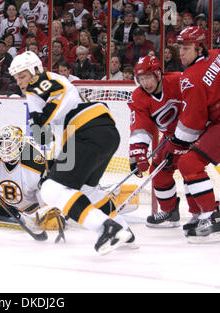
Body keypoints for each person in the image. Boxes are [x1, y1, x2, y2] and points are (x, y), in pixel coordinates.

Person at [9, 51, 134, 255]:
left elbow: (53, 103)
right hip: (104, 132)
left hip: (86, 131)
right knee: (87, 189)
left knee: (51, 188)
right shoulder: (44, 87)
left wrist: (38, 123)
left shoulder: (39, 82)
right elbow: (46, 135)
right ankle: (124, 230)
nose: (20, 82)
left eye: (22, 76)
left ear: (35, 70)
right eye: (16, 78)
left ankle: (108, 229)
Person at [155, 26, 220, 243]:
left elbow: (192, 121)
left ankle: (211, 217)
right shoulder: (218, 55)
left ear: (200, 47)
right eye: (180, 48)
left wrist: (176, 144)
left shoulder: (191, 77)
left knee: (189, 164)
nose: (182, 53)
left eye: (187, 48)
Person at [128, 55, 198, 228]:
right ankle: (170, 211)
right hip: (170, 138)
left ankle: (200, 213)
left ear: (158, 74)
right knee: (158, 170)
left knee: (190, 169)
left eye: (148, 77)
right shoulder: (139, 96)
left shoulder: (178, 81)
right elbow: (140, 125)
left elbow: (197, 103)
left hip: (197, 133)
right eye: (141, 79)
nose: (146, 83)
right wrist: (137, 152)